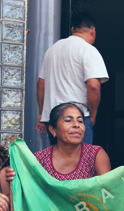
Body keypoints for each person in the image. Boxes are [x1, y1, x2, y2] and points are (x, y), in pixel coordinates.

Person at [36, 12, 108, 145]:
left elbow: (41, 84)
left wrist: (42, 113)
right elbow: (93, 86)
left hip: (54, 118)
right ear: (93, 31)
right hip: (77, 117)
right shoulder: (88, 50)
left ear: (72, 29)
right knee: (81, 162)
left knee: (57, 161)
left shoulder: (52, 50)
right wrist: (92, 115)